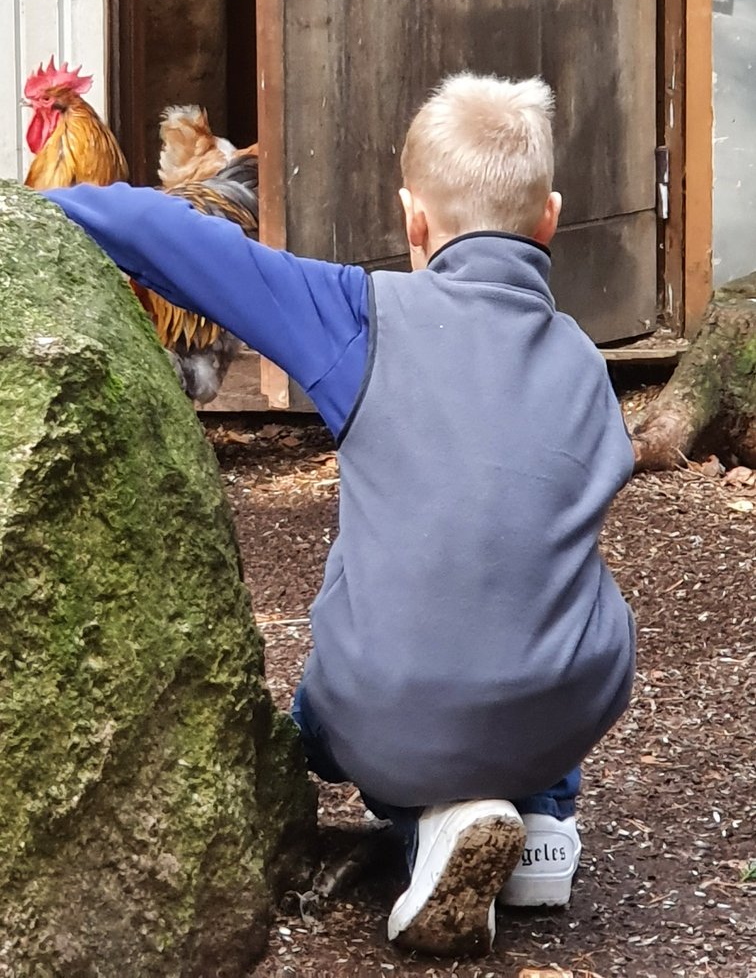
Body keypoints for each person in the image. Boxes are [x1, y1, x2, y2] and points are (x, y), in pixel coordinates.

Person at [38, 73, 636, 958]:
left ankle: (429, 825)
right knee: (563, 585)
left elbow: (176, 239)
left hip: (388, 716)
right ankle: (545, 816)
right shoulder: (588, 366)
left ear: (412, 219)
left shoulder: (362, 318)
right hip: (563, 708)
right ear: (548, 219)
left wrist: (49, 207)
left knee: (340, 698)